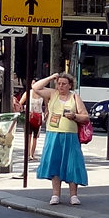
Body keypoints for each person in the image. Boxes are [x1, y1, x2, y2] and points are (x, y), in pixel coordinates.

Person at [30, 72, 89, 204]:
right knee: (55, 163)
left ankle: (73, 195)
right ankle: (55, 194)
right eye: (59, 83)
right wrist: (51, 77)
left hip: (70, 136)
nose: (60, 86)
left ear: (70, 86)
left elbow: (85, 117)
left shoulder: (75, 97)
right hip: (53, 134)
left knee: (72, 163)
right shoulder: (52, 94)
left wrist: (74, 116)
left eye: (64, 84)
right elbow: (36, 88)